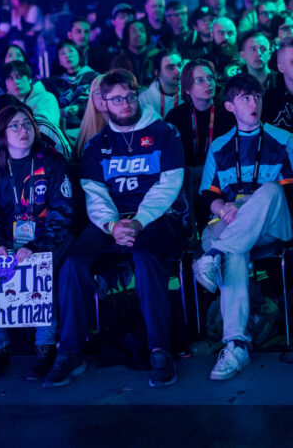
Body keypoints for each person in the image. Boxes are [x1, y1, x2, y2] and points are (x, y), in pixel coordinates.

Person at [45, 70, 187, 389]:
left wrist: (138, 222)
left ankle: (160, 349)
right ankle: (70, 352)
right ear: (103, 104)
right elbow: (95, 195)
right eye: (116, 99)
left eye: (129, 96)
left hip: (158, 217)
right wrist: (112, 225)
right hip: (110, 221)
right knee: (73, 263)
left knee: (145, 254)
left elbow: (168, 186)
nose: (125, 103)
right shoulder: (97, 146)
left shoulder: (166, 132)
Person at [193, 73, 293, 381]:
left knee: (269, 190)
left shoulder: (282, 139)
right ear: (229, 106)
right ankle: (236, 344)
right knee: (235, 252)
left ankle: (212, 254)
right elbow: (207, 196)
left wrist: (243, 207)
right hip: (229, 224)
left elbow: (290, 192)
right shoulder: (219, 146)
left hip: (273, 224)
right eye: (245, 98)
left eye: (256, 97)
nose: (253, 103)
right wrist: (223, 206)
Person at [0, 103, 73, 381]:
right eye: (15, 126)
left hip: (49, 238)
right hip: (8, 238)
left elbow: (63, 212)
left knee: (41, 269)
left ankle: (45, 348)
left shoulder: (52, 161)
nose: (23, 131)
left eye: (27, 124)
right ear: (1, 133)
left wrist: (37, 246)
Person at [166, 59, 235, 228]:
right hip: (187, 178)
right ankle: (189, 234)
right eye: (200, 80)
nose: (208, 84)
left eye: (210, 78)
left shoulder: (227, 113)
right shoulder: (175, 116)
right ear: (187, 88)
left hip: (220, 175)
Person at [44, 40, 99, 140]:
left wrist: (79, 108)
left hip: (90, 125)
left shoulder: (94, 77)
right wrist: (63, 111)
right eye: (62, 53)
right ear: (59, 61)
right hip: (65, 128)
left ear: (79, 54)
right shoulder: (57, 83)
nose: (67, 56)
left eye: (70, 51)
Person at [139, 48, 183, 119]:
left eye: (179, 65)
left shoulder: (191, 94)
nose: (178, 71)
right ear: (157, 72)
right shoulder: (145, 100)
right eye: (170, 67)